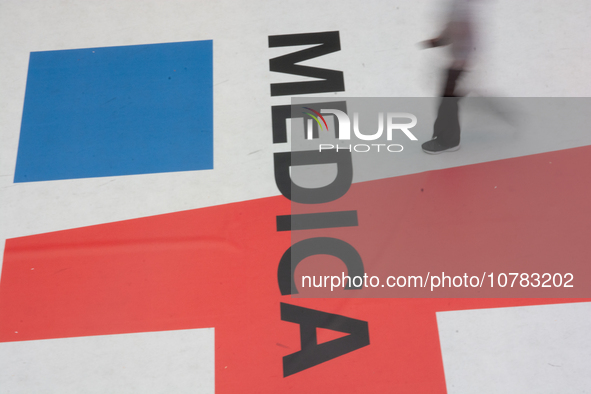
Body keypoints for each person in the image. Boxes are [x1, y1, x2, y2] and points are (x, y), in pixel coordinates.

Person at [421, 0, 479, 154]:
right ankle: (445, 138)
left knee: (448, 105)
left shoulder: (463, 10)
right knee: (447, 104)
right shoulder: (458, 9)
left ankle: (449, 141)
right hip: (456, 67)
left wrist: (461, 65)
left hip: (460, 69)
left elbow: (464, 36)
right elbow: (451, 32)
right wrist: (437, 41)